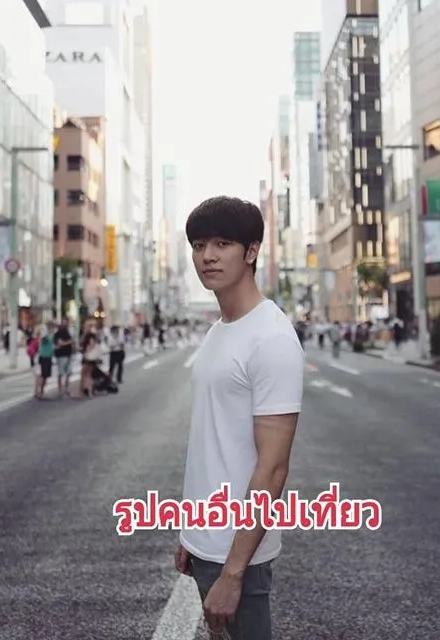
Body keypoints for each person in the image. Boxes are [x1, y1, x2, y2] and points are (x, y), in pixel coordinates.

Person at [174, 196, 304, 639]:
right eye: (198, 245)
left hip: (239, 554)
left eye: (222, 243)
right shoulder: (220, 330)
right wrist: (192, 535)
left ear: (251, 251)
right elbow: (211, 440)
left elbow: (273, 467)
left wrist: (233, 572)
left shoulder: (271, 338)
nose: (207, 256)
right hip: (209, 542)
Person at [53, 317, 74, 397]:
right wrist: (69, 342)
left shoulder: (68, 332)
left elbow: (72, 341)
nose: (65, 324)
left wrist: (70, 343)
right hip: (61, 355)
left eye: (66, 322)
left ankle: (66, 388)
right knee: (61, 373)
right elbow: (60, 343)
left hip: (68, 354)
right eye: (63, 322)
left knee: (69, 372)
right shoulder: (58, 333)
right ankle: (60, 389)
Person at [34, 324, 55, 399]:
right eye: (52, 328)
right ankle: (38, 391)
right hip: (43, 357)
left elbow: (52, 345)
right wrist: (43, 334)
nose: (53, 329)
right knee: (41, 375)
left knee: (45, 376)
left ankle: (41, 391)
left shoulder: (52, 336)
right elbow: (41, 339)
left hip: (49, 357)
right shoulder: (45, 335)